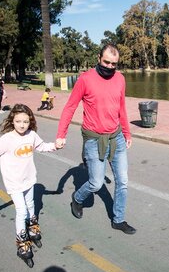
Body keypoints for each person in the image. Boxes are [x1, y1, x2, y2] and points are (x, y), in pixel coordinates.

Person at [55, 44, 136, 235]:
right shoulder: (85, 79)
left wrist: (127, 132)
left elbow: (121, 108)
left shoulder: (120, 79)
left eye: (114, 64)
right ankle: (77, 198)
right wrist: (61, 134)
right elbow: (70, 107)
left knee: (123, 181)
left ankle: (118, 219)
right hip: (93, 139)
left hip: (116, 138)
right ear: (99, 58)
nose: (109, 66)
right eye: (106, 62)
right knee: (96, 183)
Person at [0, 104, 59, 261]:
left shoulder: (32, 135)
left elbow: (42, 146)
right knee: (21, 211)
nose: (22, 125)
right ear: (12, 121)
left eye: (25, 122)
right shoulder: (7, 139)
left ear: (30, 122)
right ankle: (22, 242)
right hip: (14, 183)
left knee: (31, 205)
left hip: (29, 179)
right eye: (18, 121)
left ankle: (32, 226)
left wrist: (55, 146)